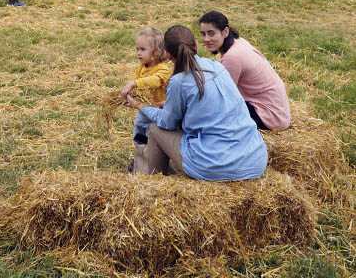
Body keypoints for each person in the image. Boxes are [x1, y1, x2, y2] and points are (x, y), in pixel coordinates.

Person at [126, 25, 268, 180]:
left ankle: (152, 183)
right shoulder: (217, 66)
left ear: (166, 54)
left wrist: (139, 105)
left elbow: (167, 122)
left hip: (214, 166)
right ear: (196, 46)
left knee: (155, 129)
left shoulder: (178, 82)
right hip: (255, 160)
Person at [198, 11, 290, 131]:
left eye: (211, 33)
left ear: (225, 32)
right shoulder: (238, 42)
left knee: (208, 116)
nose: (206, 39)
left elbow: (219, 97)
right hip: (279, 113)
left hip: (269, 118)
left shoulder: (233, 57)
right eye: (203, 34)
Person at [120, 27, 171, 173]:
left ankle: (155, 160)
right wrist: (132, 98)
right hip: (142, 110)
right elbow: (138, 88)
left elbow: (154, 81)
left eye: (143, 49)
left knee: (153, 136)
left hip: (157, 112)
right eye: (137, 49)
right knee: (139, 133)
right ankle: (140, 155)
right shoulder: (141, 67)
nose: (138, 53)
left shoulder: (163, 70)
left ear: (156, 52)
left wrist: (135, 83)